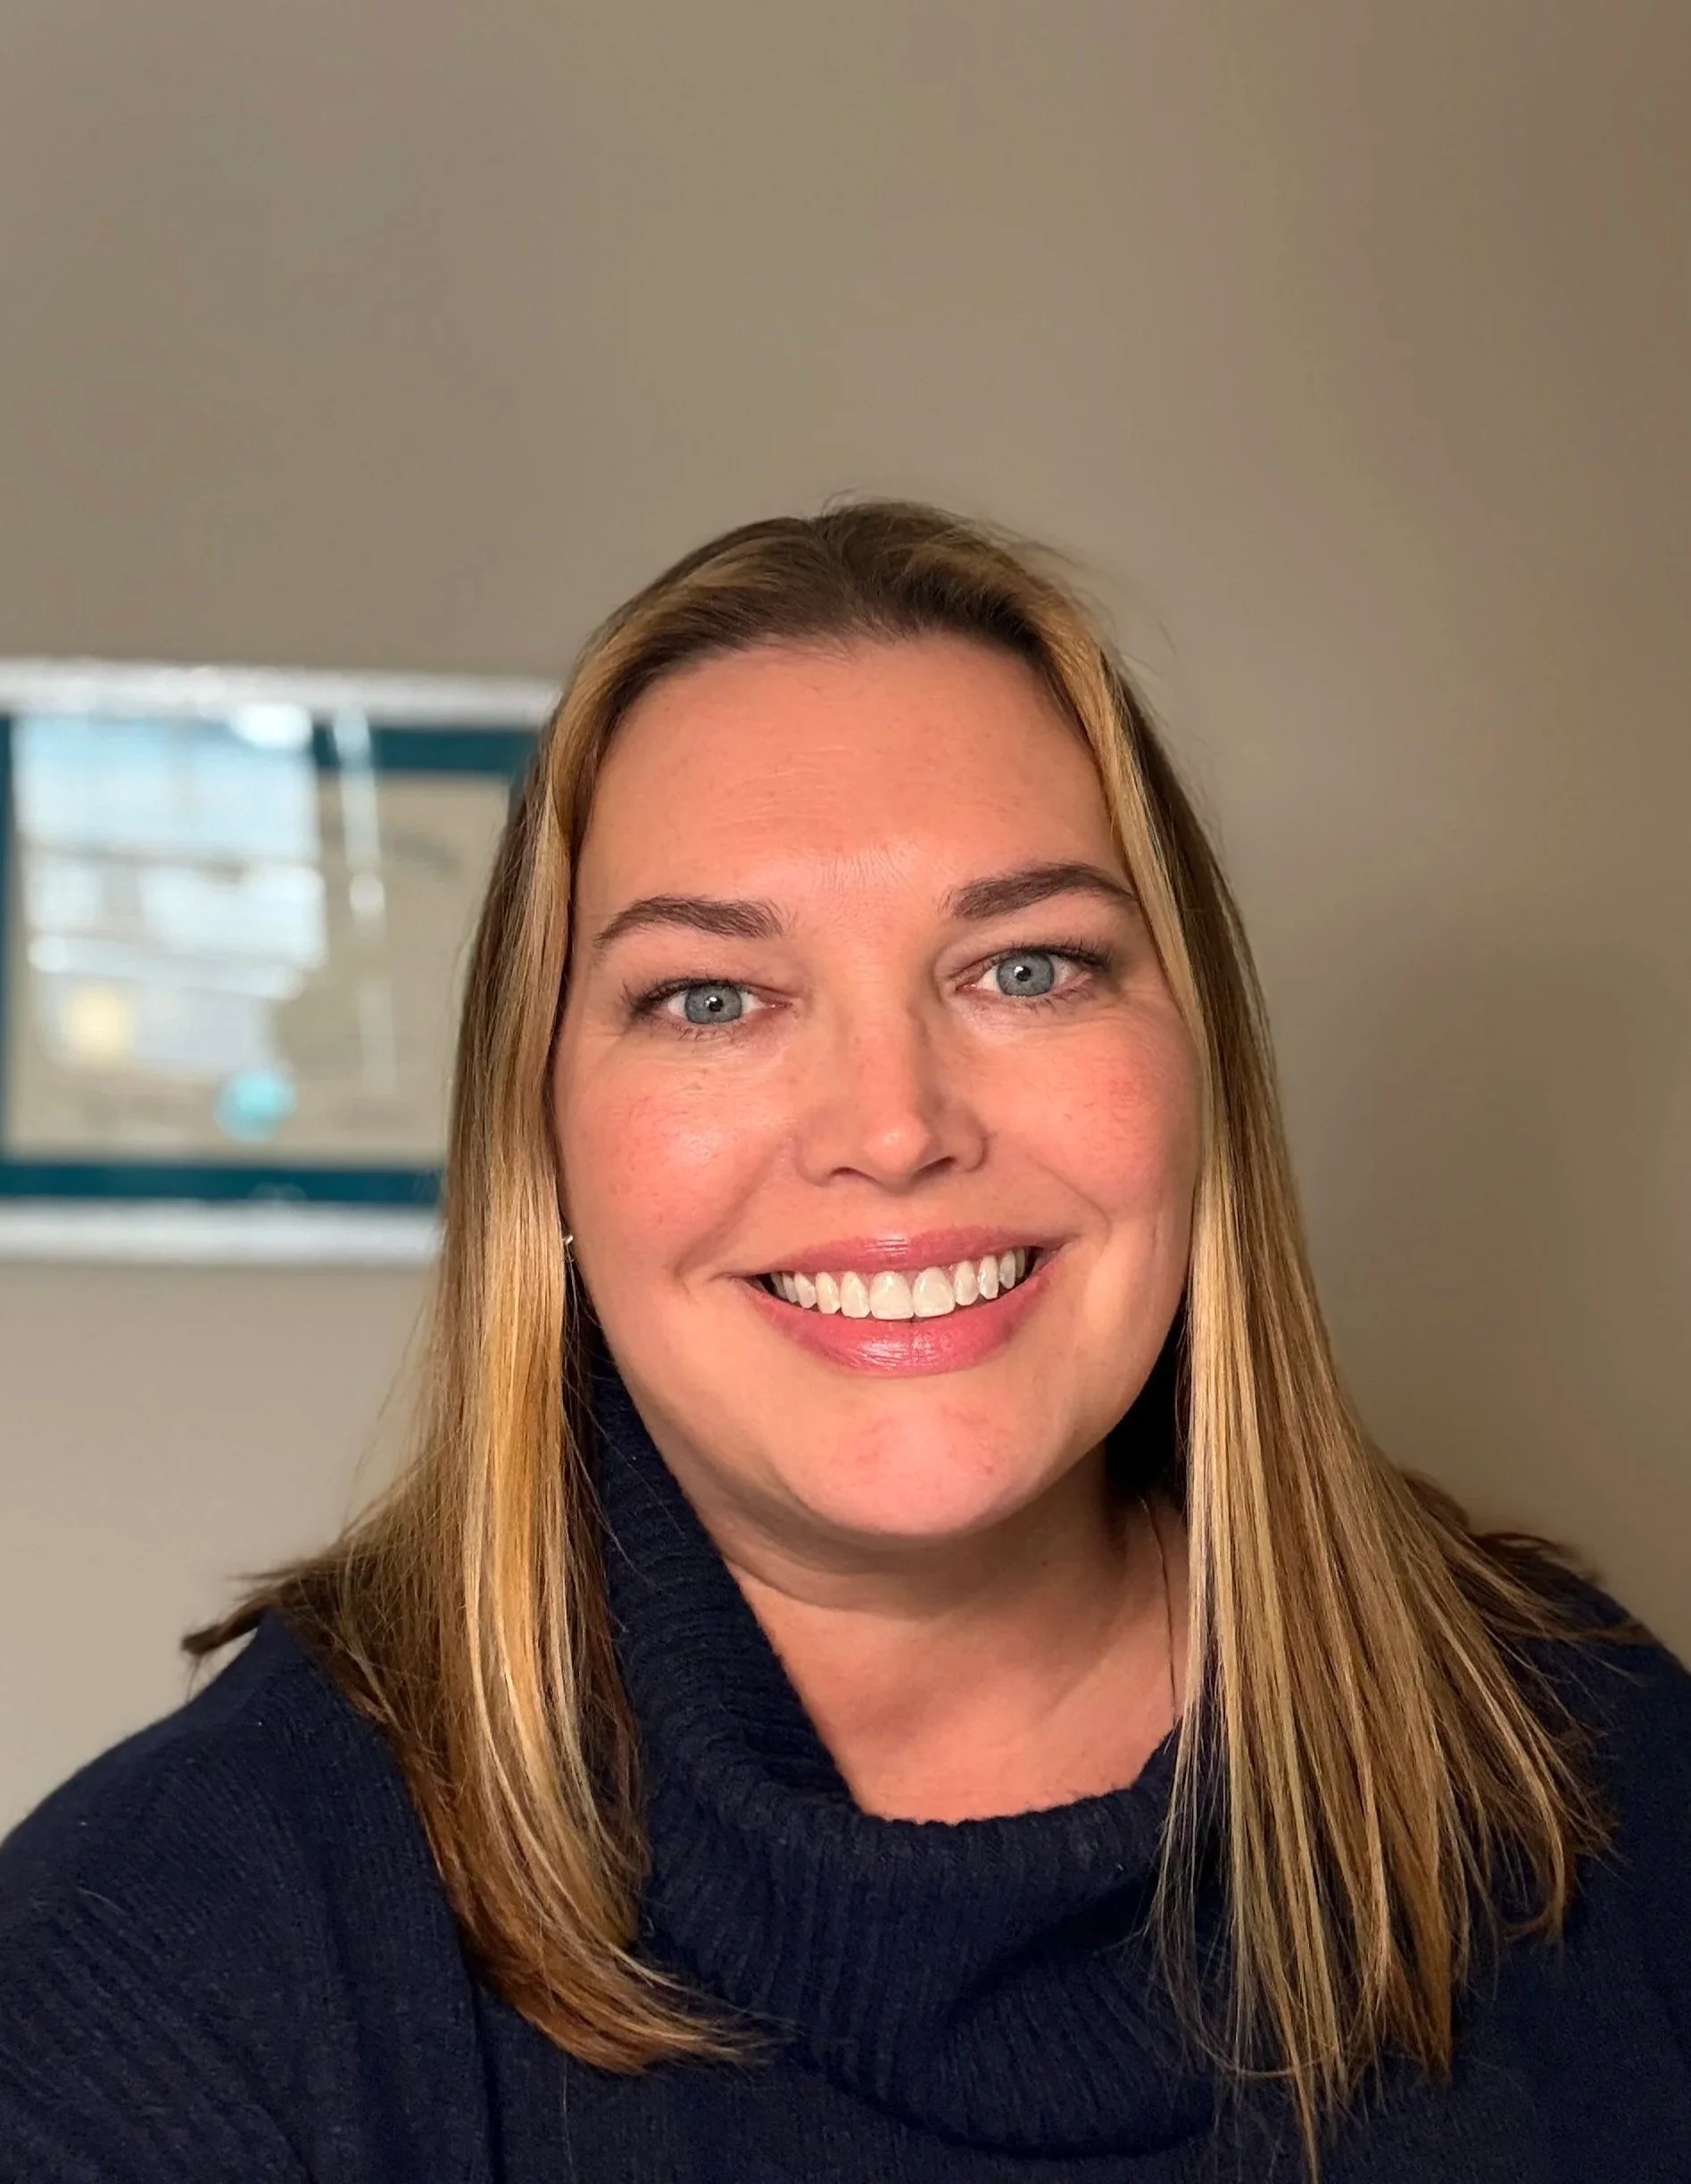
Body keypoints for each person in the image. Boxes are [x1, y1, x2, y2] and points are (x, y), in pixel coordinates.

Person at [1, 502, 1687, 2183]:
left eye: (1025, 966)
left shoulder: (1593, 1769)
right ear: (546, 1141)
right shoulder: (152, 1973)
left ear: (1201, 1081)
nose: (891, 1129)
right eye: (712, 999)